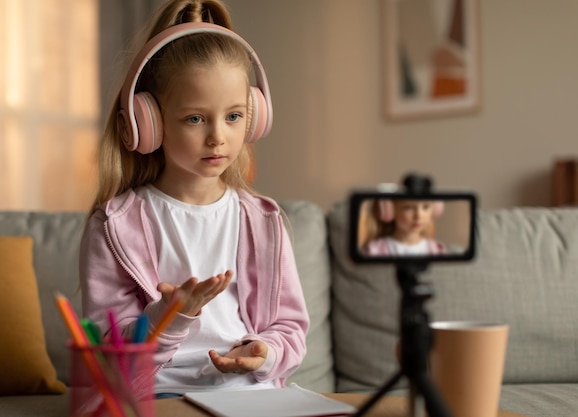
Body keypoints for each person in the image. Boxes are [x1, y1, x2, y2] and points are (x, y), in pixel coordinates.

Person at [79, 0, 309, 398]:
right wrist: (172, 315)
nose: (218, 136)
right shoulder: (115, 226)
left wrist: (265, 353)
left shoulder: (263, 220)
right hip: (158, 392)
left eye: (234, 116)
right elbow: (110, 351)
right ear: (146, 123)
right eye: (195, 118)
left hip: (251, 391)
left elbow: (290, 328)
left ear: (255, 117)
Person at [359, 199, 447, 256]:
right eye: (408, 207)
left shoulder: (437, 250)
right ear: (389, 211)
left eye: (425, 207)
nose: (419, 215)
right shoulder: (374, 250)